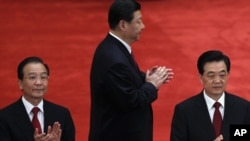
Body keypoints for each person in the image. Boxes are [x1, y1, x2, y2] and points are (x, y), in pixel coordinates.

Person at [88, 0, 174, 141]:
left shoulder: (114, 48)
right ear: (123, 25)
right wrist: (152, 85)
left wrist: (144, 77)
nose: (143, 26)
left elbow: (124, 80)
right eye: (138, 22)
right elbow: (131, 101)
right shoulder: (114, 58)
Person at [170, 50, 250, 141]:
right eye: (211, 76)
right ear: (201, 77)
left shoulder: (243, 108)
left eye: (222, 75)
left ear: (228, 75)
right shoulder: (184, 111)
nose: (217, 81)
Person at [0, 56, 75, 141]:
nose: (39, 83)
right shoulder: (4, 118)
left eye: (43, 77)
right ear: (20, 83)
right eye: (32, 77)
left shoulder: (62, 114)